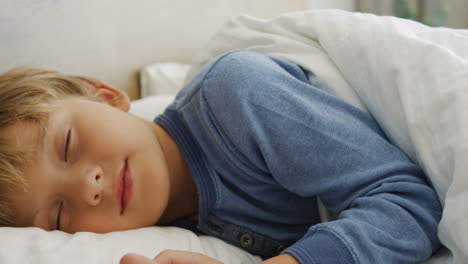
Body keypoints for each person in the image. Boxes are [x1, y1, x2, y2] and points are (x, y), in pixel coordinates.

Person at [0, 50, 442, 264]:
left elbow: (411, 205)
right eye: (58, 216)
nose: (87, 186)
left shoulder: (233, 94)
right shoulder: (177, 235)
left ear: (104, 94)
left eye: (67, 145)